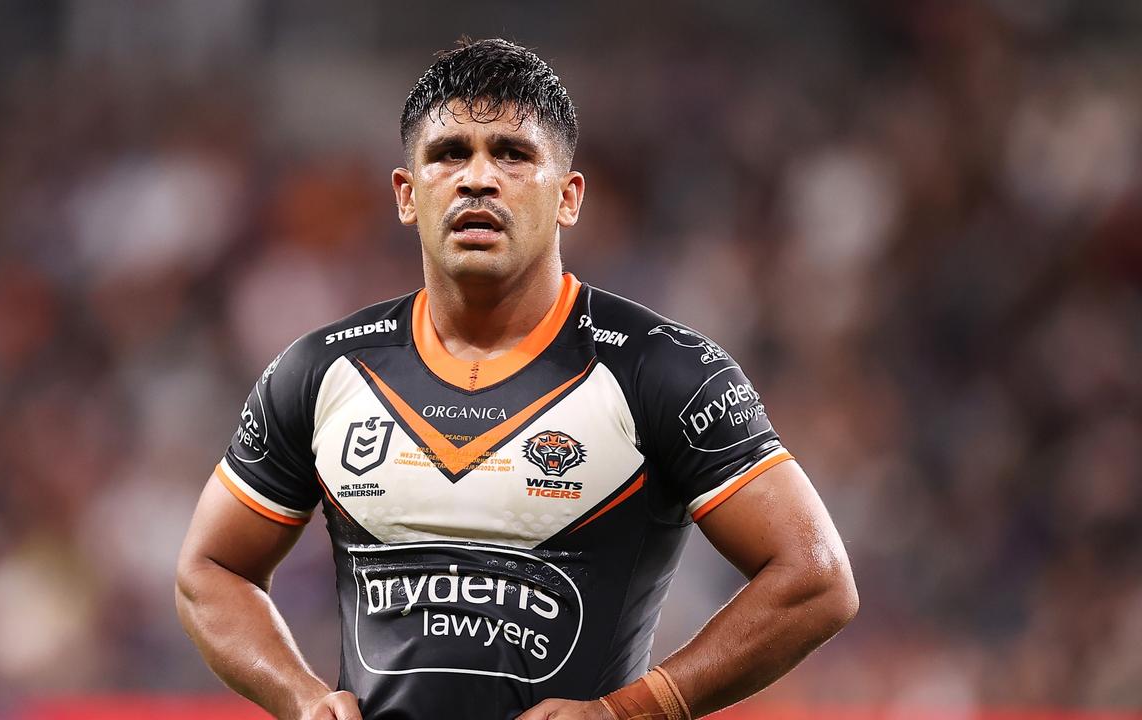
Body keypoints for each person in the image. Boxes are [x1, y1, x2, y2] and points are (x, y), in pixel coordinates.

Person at [176, 38, 858, 720]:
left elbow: (815, 578)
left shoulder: (662, 368)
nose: (477, 179)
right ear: (407, 195)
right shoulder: (322, 370)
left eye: (512, 153)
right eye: (449, 154)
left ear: (569, 197)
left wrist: (632, 711)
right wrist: (301, 700)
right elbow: (208, 571)